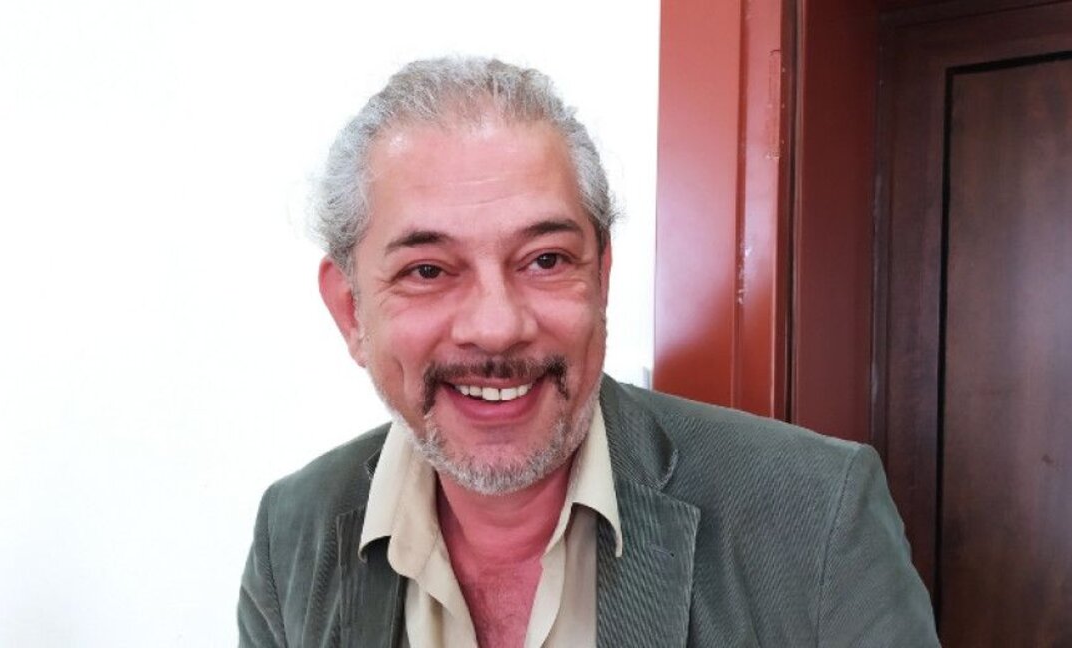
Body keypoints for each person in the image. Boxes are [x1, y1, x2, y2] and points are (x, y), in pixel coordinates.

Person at [237, 57, 938, 648]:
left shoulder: (816, 514)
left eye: (545, 259)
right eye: (427, 270)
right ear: (350, 310)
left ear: (601, 278)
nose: (497, 328)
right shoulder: (292, 533)